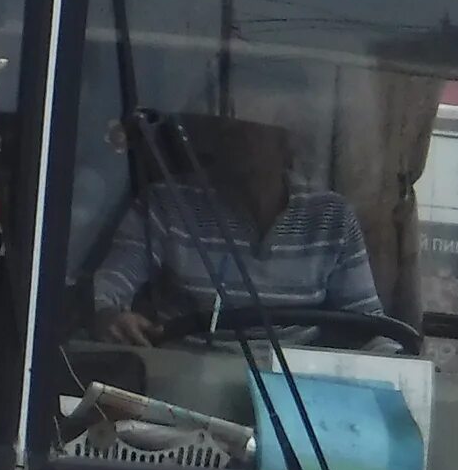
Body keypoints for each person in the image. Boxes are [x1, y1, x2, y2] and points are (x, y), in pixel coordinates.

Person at [93, 111, 381, 345]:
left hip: (296, 387)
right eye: (230, 126)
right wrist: (110, 317)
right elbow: (109, 287)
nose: (238, 137)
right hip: (184, 378)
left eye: (254, 127)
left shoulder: (332, 216)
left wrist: (395, 366)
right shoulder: (166, 203)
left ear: (287, 142)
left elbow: (368, 325)